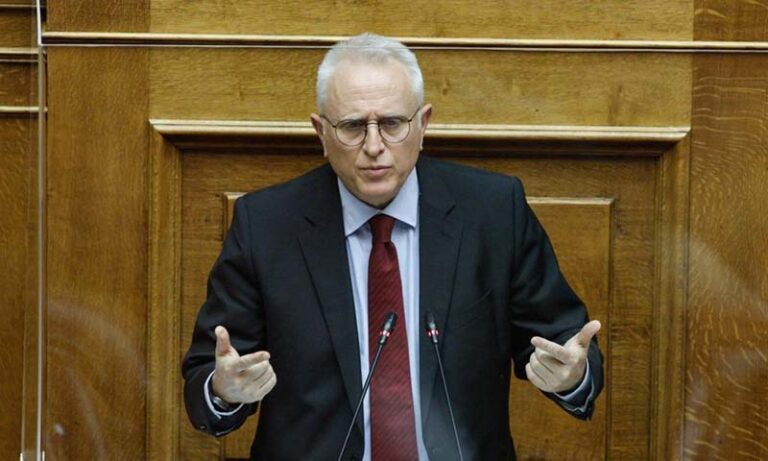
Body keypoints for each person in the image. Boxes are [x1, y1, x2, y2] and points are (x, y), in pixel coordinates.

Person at [182, 32, 603, 461]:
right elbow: (207, 377)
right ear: (321, 132)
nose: (373, 146)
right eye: (352, 127)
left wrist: (572, 376)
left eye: (392, 124)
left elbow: (562, 342)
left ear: (423, 124)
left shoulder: (493, 212)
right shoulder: (266, 225)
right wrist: (223, 390)